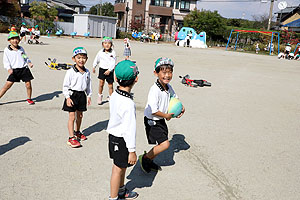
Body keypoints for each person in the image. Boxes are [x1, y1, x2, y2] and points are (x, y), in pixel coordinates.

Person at [139, 57, 185, 173]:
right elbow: (154, 110)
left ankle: (149, 159)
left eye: (170, 72)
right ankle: (145, 158)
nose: (167, 75)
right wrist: (167, 116)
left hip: (161, 119)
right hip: (152, 120)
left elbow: (174, 98)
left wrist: (181, 108)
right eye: (164, 72)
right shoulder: (154, 90)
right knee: (165, 144)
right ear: (156, 73)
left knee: (161, 143)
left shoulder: (168, 87)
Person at [107, 60, 139, 200]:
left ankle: (121, 190)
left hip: (114, 137)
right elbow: (129, 129)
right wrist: (132, 151)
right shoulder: (128, 103)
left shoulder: (115, 94)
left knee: (121, 167)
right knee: (117, 169)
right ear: (136, 79)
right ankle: (113, 197)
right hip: (121, 140)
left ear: (115, 79)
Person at [62, 47, 92, 148]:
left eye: (83, 58)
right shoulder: (70, 71)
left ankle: (77, 131)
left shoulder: (87, 72)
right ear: (73, 58)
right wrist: (67, 97)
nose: (81, 60)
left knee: (80, 116)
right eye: (78, 58)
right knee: (72, 116)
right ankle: (71, 138)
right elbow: (65, 86)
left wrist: (89, 95)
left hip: (81, 95)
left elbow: (88, 84)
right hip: (72, 95)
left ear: (86, 59)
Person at [0, 31, 35, 105]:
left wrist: (29, 62)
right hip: (14, 71)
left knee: (28, 85)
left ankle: (29, 98)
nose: (15, 40)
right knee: (7, 86)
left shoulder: (21, 48)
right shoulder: (7, 50)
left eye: (16, 39)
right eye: (12, 39)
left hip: (24, 69)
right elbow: (6, 61)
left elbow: (24, 56)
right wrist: (8, 69)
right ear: (9, 40)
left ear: (19, 40)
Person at [92, 37, 116, 105]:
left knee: (110, 85)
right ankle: (100, 96)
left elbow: (113, 62)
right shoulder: (100, 52)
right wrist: (94, 66)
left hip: (109, 70)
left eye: (109, 43)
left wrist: (109, 70)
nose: (107, 45)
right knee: (101, 84)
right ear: (102, 44)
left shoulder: (113, 52)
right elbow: (97, 59)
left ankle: (111, 97)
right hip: (102, 69)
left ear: (111, 44)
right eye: (105, 43)